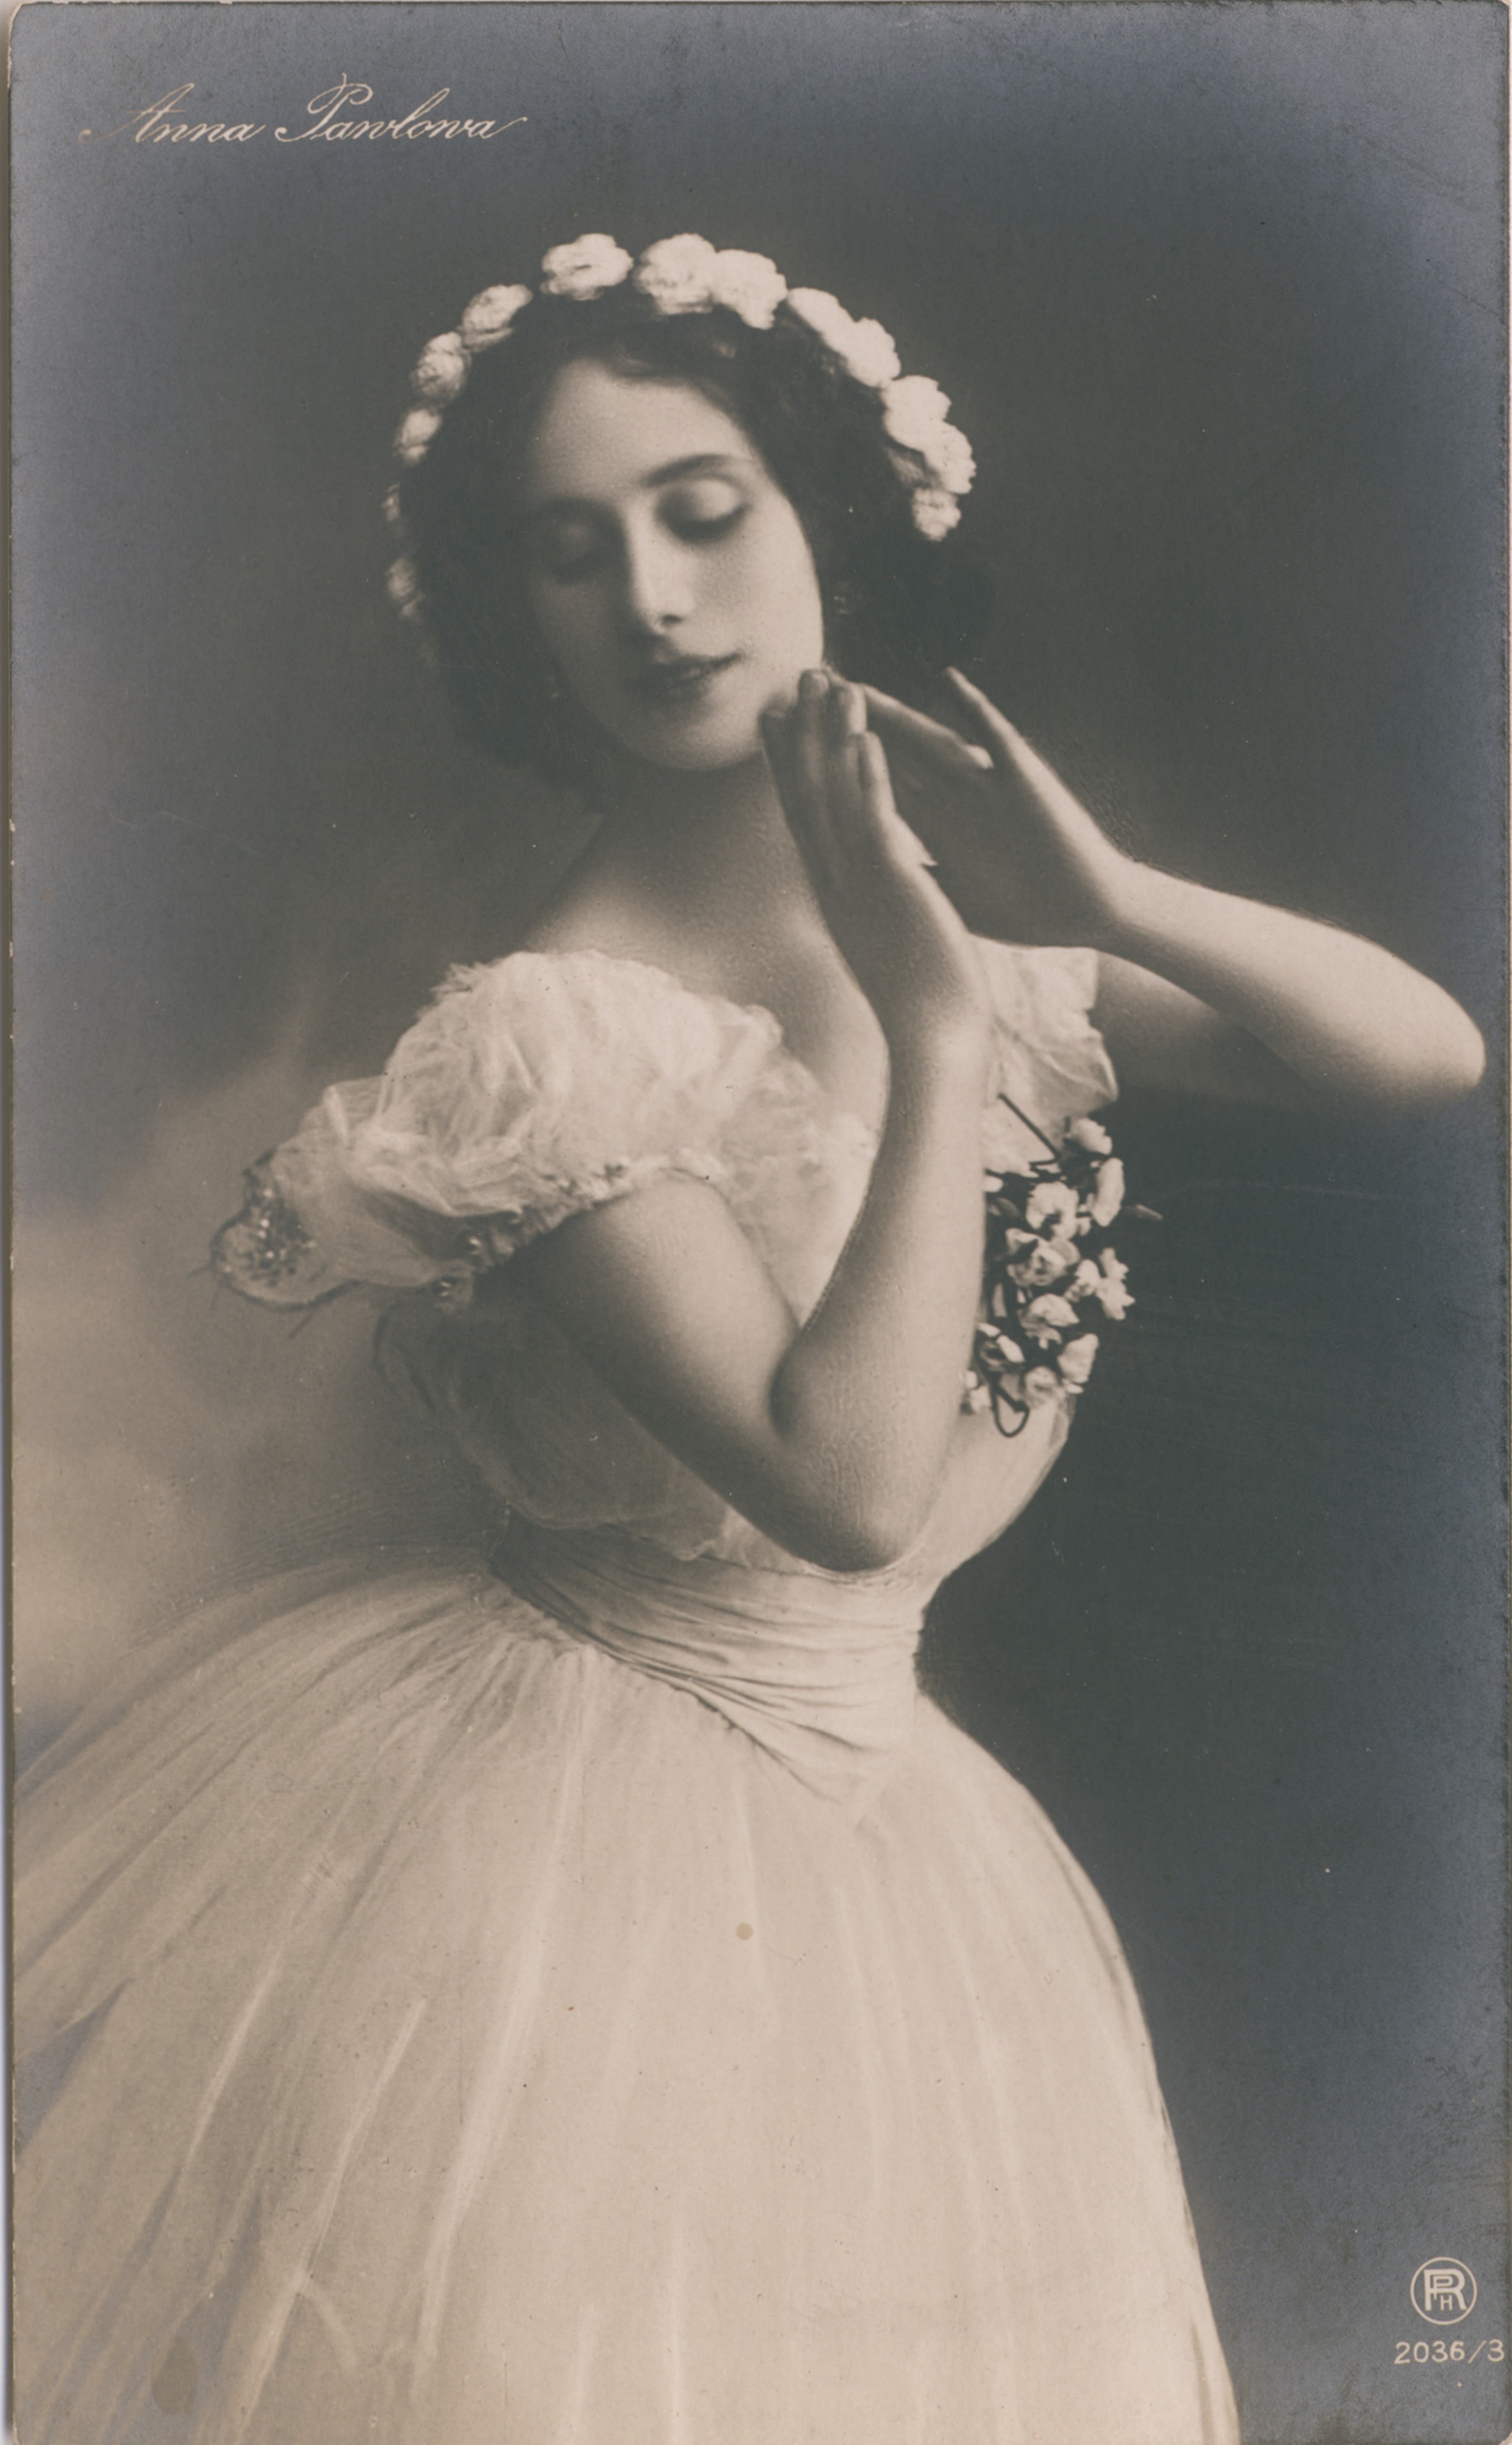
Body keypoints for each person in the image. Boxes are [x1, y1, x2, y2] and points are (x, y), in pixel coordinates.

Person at [14, 233, 1483, 2445]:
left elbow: (1424, 1057)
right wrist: (919, 1015)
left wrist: (1096, 906)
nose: (659, 600)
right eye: (575, 553)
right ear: (519, 616)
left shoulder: (985, 948)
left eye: (707, 510)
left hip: (892, 1833)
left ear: (824, 520)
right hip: (574, 1849)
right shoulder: (546, 1037)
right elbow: (844, 1487)